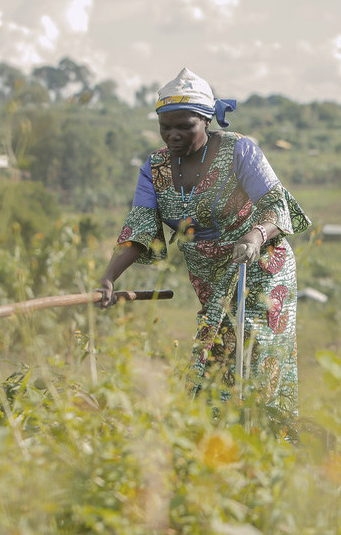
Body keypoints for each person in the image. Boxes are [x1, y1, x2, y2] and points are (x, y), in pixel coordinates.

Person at [98, 68, 311, 418]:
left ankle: (267, 436)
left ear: (207, 121)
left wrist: (255, 235)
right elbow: (139, 229)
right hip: (209, 276)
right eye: (166, 127)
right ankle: (214, 441)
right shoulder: (156, 168)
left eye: (185, 126)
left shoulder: (239, 150)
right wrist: (108, 278)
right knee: (215, 360)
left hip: (260, 265)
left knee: (255, 353)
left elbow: (276, 206)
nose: (174, 135)